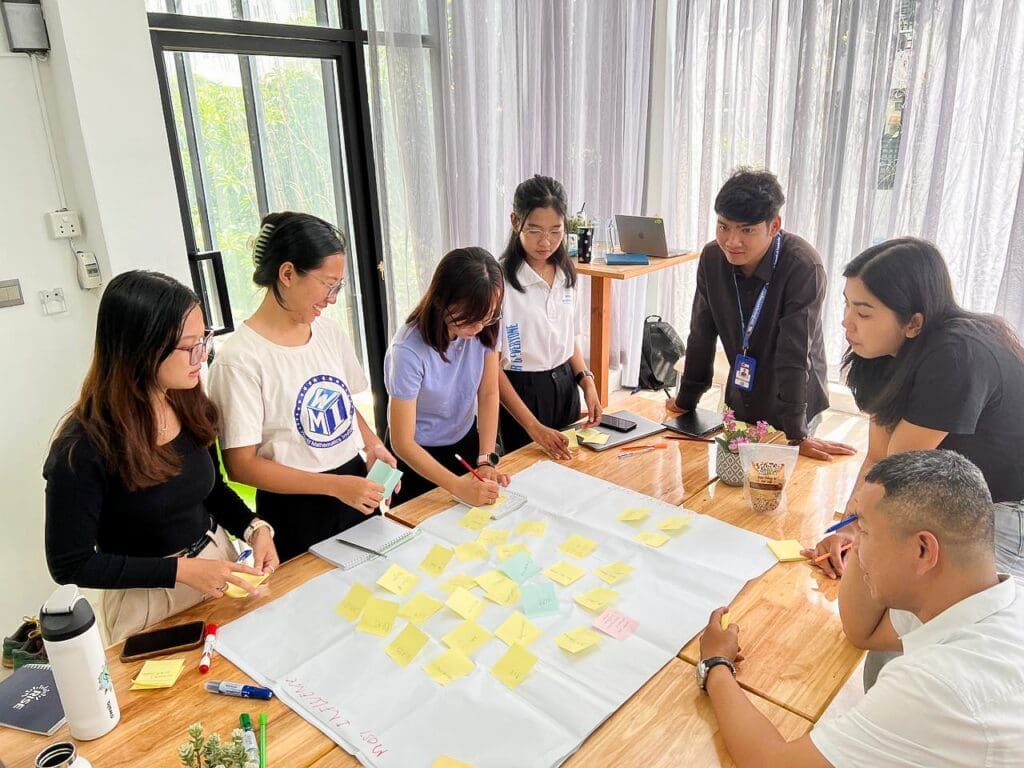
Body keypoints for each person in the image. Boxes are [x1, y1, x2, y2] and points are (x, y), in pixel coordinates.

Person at [696, 450, 1024, 767]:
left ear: (923, 550)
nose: (856, 549)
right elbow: (862, 631)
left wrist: (715, 664)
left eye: (864, 532)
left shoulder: (936, 688)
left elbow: (771, 762)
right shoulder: (989, 596)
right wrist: (859, 524)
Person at [44, 271, 278, 643]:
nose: (201, 357)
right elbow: (70, 563)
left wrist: (255, 529)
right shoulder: (83, 447)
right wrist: (178, 571)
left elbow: (211, 489)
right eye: (189, 346)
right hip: (147, 597)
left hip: (217, 563)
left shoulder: (187, 400)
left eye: (204, 340)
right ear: (142, 349)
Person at [807, 238, 1024, 582]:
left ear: (913, 323)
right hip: (954, 504)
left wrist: (862, 532)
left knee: (910, 612)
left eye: (863, 313)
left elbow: (896, 471)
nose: (847, 322)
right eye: (847, 305)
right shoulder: (885, 354)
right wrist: (848, 527)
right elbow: (878, 457)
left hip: (1007, 512)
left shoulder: (955, 354)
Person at [207, 212, 399, 563]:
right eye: (328, 284)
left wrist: (372, 445)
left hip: (352, 486)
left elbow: (340, 402)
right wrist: (333, 487)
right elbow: (241, 466)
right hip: (296, 507)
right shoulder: (239, 360)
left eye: (338, 286)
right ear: (287, 273)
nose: (333, 298)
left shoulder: (328, 332)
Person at [666, 168, 855, 461]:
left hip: (795, 399)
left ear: (774, 225)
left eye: (747, 230)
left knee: (781, 485)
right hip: (742, 391)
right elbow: (701, 333)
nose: (732, 241)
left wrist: (798, 433)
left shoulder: (803, 265)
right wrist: (686, 401)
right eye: (723, 227)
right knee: (733, 480)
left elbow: (795, 353)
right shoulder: (713, 259)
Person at [385, 247, 509, 507]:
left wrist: (486, 458)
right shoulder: (408, 349)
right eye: (469, 319)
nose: (478, 329)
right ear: (441, 301)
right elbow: (402, 441)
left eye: (487, 317)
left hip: (463, 441)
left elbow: (487, 393)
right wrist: (457, 486)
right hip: (418, 457)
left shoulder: (485, 327)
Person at [497, 175, 601, 459]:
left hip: (565, 386)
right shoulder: (499, 281)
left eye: (555, 231)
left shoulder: (568, 274)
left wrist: (587, 381)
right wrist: (532, 426)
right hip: (520, 394)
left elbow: (570, 338)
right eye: (534, 230)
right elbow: (490, 369)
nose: (546, 242)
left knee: (570, 470)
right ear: (515, 221)